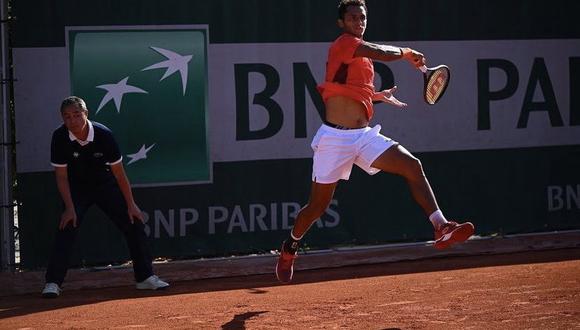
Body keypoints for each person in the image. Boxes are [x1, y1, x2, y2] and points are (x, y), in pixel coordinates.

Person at [276, 0, 474, 284]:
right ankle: (290, 247)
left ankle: (441, 226)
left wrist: (377, 96)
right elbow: (379, 51)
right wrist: (405, 53)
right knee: (317, 207)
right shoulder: (345, 43)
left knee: (412, 166)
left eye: (362, 17)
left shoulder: (363, 61)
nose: (359, 21)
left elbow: (354, 90)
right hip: (334, 138)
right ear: (341, 23)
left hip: (363, 135)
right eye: (353, 17)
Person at [41, 96, 169, 298]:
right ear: (62, 119)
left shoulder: (103, 135)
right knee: (66, 225)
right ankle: (53, 282)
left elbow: (119, 174)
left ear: (86, 114)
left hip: (104, 185)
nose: (73, 121)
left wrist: (131, 204)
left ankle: (145, 278)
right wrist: (69, 207)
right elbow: (61, 177)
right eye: (67, 117)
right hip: (76, 188)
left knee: (133, 221)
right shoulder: (59, 137)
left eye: (77, 115)